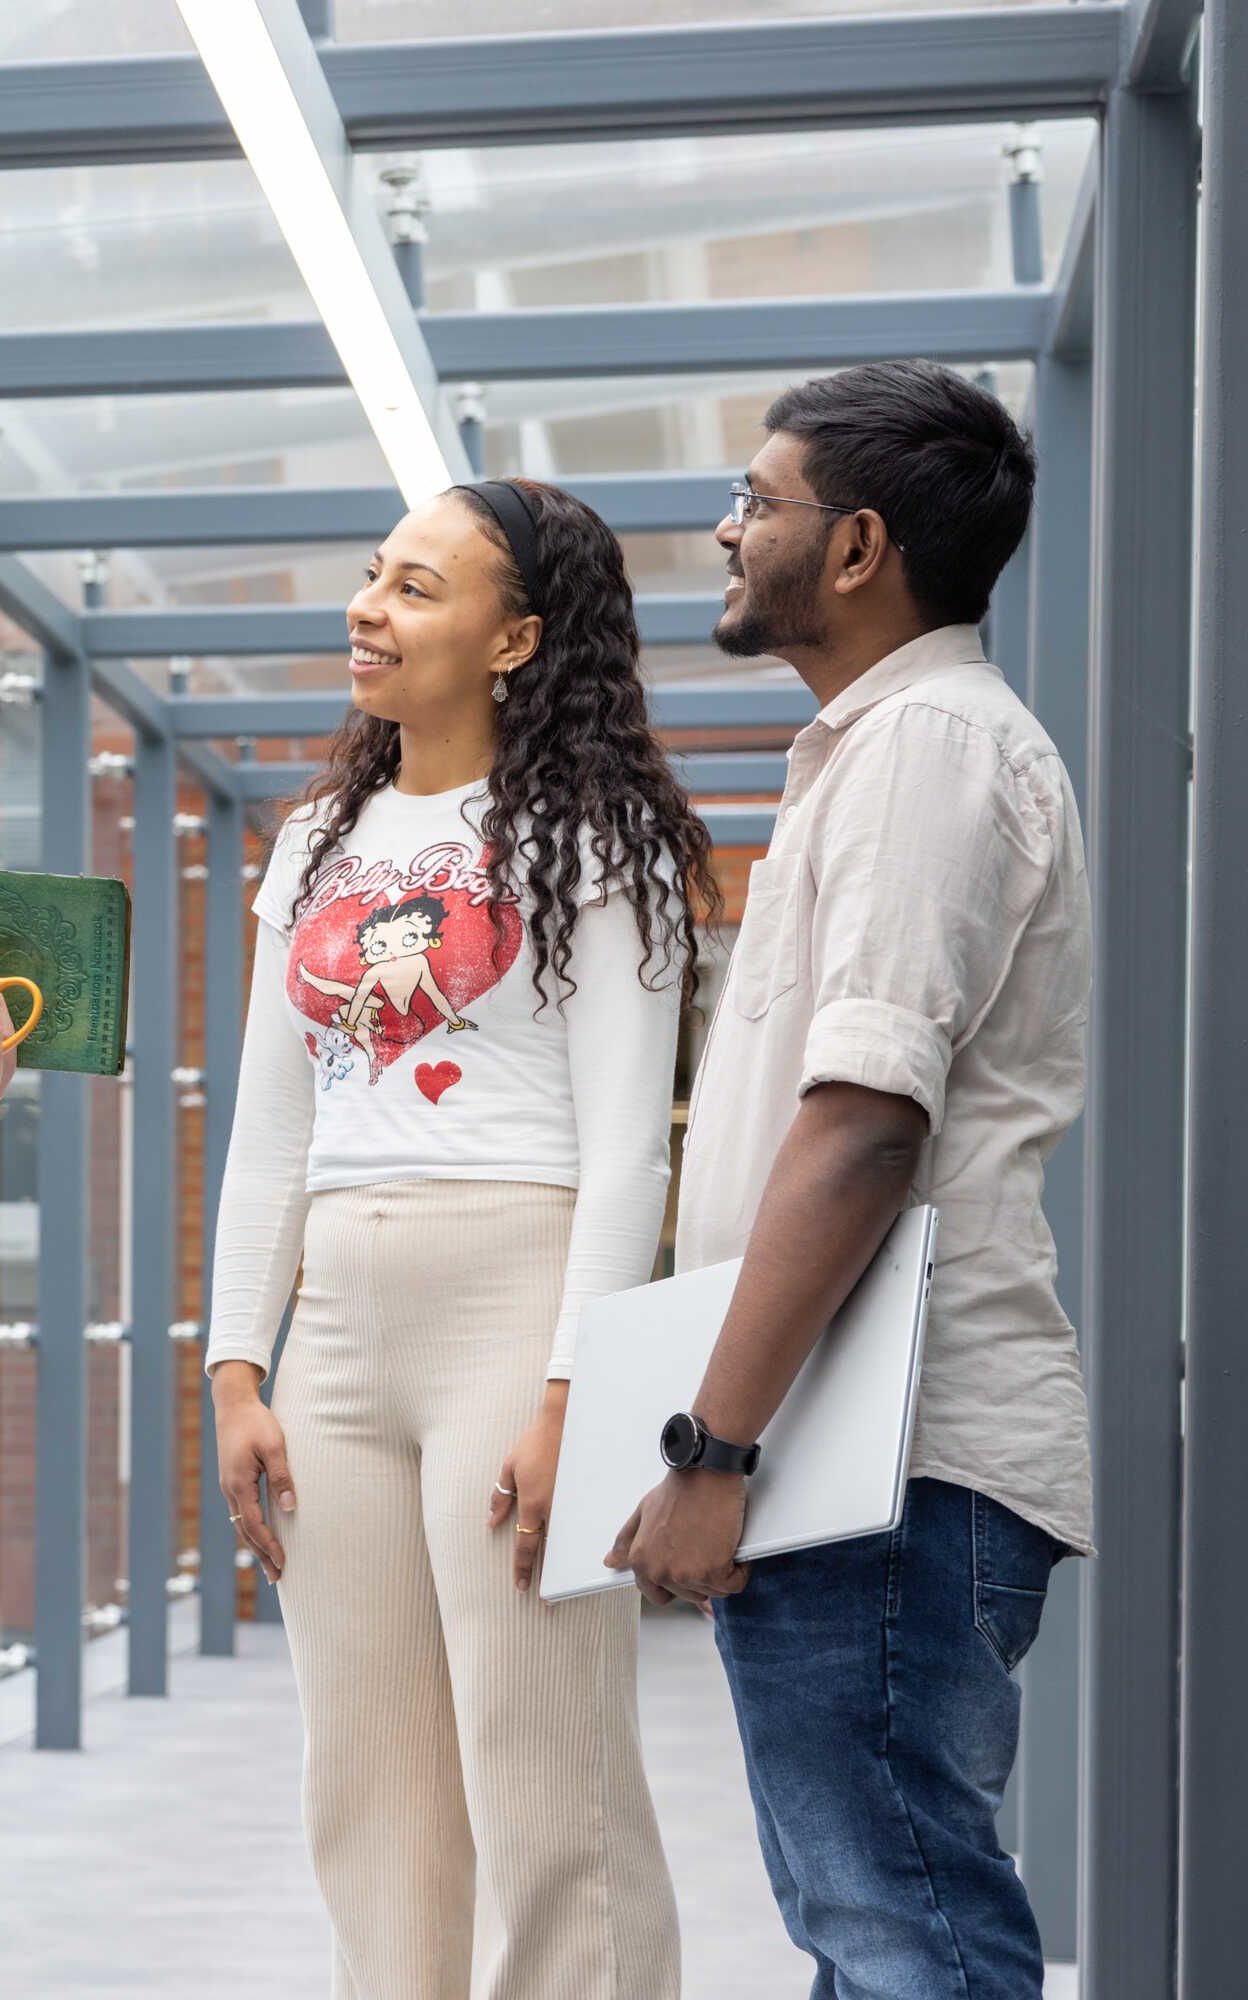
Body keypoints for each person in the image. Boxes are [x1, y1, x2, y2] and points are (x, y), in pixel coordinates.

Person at [607, 360, 1085, 2000]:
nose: (728, 529)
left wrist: (711, 1448)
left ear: (861, 544)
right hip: (854, 1448)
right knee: (868, 1928)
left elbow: (868, 1127)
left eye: (758, 501)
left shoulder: (928, 751)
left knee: (905, 1934)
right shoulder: (884, 752)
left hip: (881, 1459)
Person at [208, 477, 717, 1997]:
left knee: (545, 1778)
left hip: (516, 1294)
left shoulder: (601, 838)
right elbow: (270, 1127)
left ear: (517, 640)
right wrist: (238, 1364)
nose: (370, 606)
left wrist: (575, 1393)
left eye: (418, 588)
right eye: (375, 576)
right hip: (340, 1331)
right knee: (368, 1790)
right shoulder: (314, 842)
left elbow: (630, 1154)